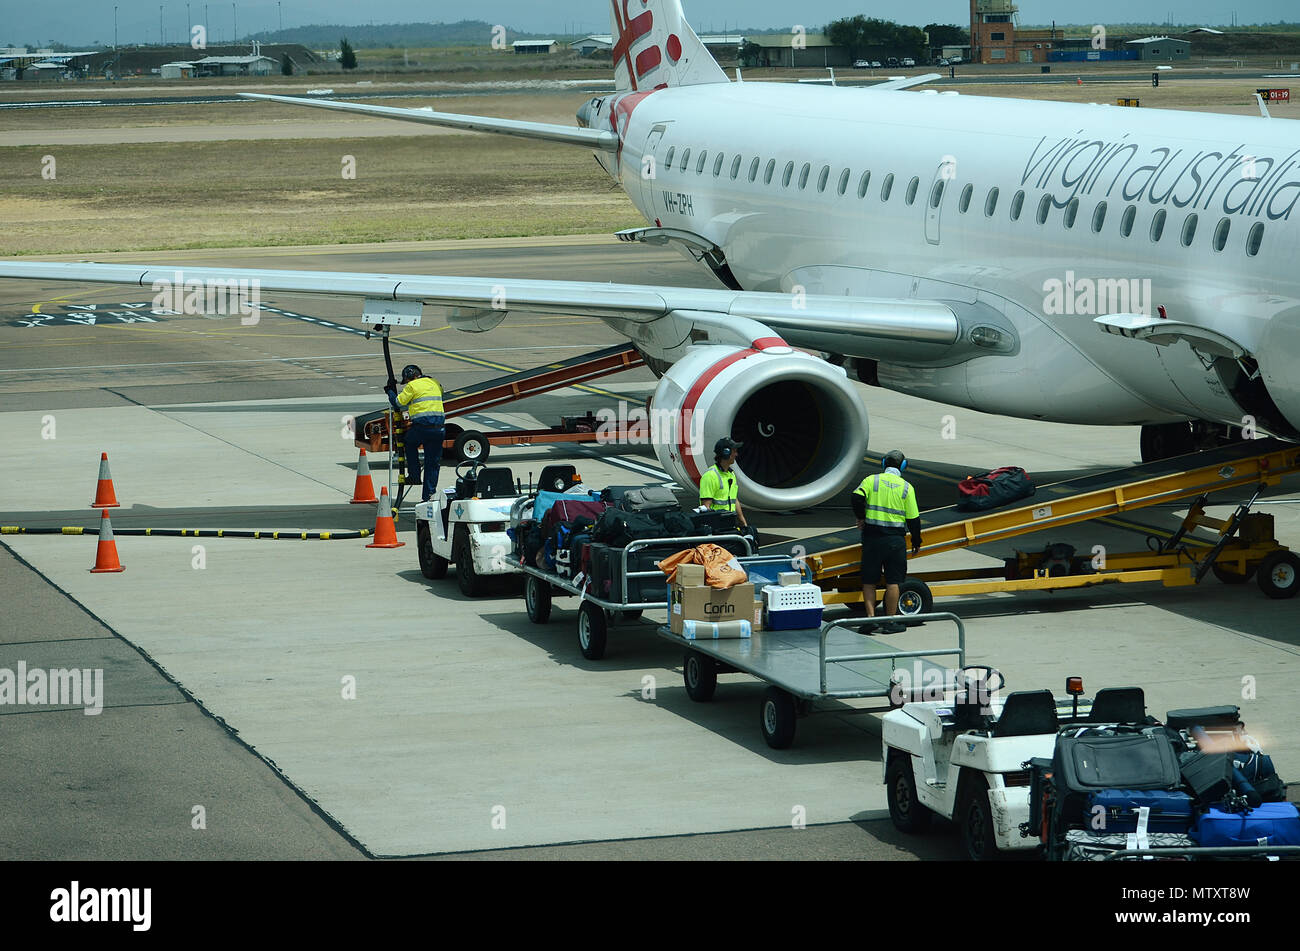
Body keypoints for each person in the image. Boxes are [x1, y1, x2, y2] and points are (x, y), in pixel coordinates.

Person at [852, 449, 922, 634]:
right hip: (895, 541)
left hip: (872, 538)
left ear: (883, 463)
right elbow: (914, 520)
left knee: (869, 581)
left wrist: (861, 517)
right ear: (903, 466)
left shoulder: (871, 480)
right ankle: (890, 622)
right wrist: (916, 540)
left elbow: (856, 497)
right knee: (893, 582)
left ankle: (870, 619)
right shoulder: (907, 487)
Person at [385, 364, 445, 503]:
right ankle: (428, 495)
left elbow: (398, 403)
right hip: (439, 429)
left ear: (409, 378)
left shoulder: (412, 386)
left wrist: (389, 391)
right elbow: (439, 392)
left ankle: (414, 475)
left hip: (422, 427)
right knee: (433, 463)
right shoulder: (434, 382)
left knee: (409, 444)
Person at [698, 437, 749, 533]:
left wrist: (743, 523)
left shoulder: (731, 474)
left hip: (730, 524)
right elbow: (705, 507)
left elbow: (734, 500)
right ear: (726, 453)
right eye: (734, 451)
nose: (736, 454)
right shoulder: (710, 476)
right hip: (717, 527)